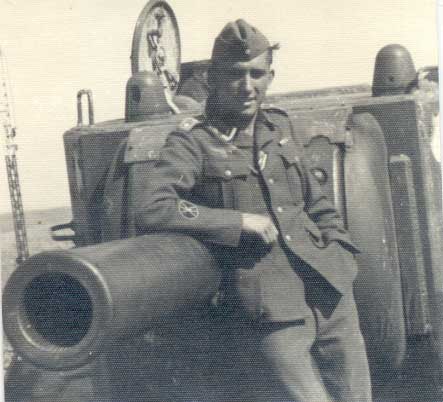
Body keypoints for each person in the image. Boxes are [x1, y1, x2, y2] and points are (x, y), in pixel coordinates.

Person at [135, 19, 372, 402]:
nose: (248, 86)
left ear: (270, 76)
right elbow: (152, 207)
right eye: (235, 75)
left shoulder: (279, 125)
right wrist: (237, 221)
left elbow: (318, 201)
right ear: (213, 77)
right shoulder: (192, 142)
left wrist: (340, 251)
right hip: (270, 307)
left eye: (257, 74)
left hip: (330, 289)